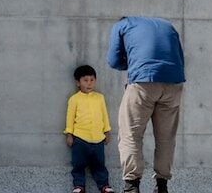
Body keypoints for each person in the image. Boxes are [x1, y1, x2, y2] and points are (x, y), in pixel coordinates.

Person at [106, 16, 185, 193]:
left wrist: (134, 62)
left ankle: (132, 186)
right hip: (174, 82)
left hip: (143, 82)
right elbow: (179, 57)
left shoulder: (122, 25)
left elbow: (113, 60)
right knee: (166, 138)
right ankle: (162, 185)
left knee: (131, 134)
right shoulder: (167, 25)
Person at [64, 64, 115, 193]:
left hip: (98, 139)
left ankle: (104, 185)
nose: (89, 83)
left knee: (99, 165)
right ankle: (79, 186)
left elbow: (104, 114)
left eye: (92, 80)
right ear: (78, 82)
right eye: (85, 80)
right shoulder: (74, 99)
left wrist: (107, 131)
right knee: (78, 165)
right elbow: (70, 117)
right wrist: (69, 134)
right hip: (80, 139)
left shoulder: (100, 97)